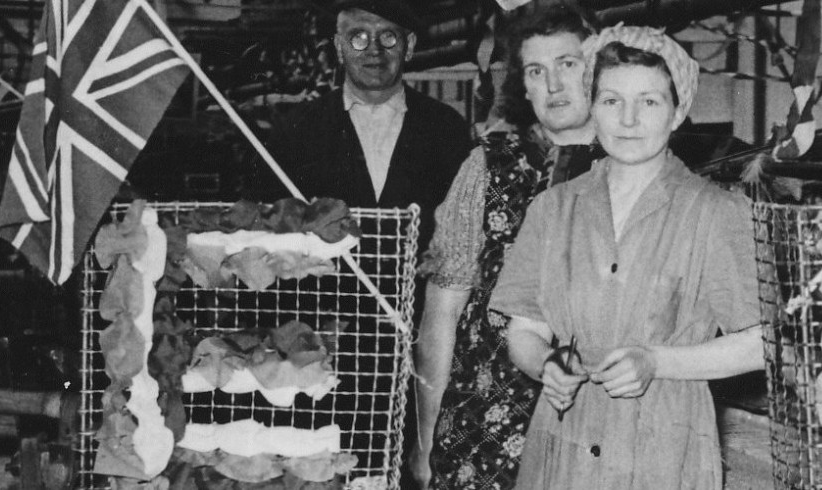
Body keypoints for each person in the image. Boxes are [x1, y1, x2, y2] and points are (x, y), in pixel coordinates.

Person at [489, 24, 765, 490]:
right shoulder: (554, 208)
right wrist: (546, 365)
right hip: (565, 444)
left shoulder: (717, 212)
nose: (628, 119)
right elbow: (526, 329)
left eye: (650, 102)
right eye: (611, 101)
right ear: (593, 107)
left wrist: (657, 362)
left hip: (665, 449)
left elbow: (761, 343)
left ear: (677, 114)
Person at [411, 10, 601, 490]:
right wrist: (426, 436)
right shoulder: (489, 167)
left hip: (602, 420)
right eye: (537, 72)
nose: (554, 84)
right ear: (524, 86)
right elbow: (441, 316)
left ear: (599, 67)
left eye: (569, 65)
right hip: (485, 430)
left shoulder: (636, 169)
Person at [257, 0, 472, 254]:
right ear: (338, 47)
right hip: (328, 292)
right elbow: (268, 230)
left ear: (409, 45)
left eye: (388, 36)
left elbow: (465, 228)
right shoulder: (295, 128)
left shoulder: (447, 127)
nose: (374, 49)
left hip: (422, 292)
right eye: (358, 37)